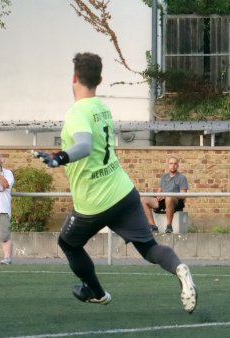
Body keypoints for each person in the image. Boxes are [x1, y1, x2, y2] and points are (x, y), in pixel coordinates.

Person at [34, 53, 197, 313]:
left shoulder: (78, 112)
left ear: (74, 77)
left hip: (94, 202)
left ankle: (96, 292)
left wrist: (59, 157)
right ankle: (179, 267)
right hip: (123, 192)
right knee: (149, 248)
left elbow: (84, 146)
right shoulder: (102, 107)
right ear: (100, 79)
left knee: (68, 243)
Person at [141, 157, 188, 233]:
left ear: (178, 165)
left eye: (175, 164)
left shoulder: (182, 178)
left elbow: (183, 195)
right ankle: (153, 226)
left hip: (175, 201)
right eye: (171, 163)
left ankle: (169, 226)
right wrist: (158, 195)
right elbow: (159, 191)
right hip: (163, 200)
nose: (173, 165)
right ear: (168, 165)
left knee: (169, 198)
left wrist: (167, 195)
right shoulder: (164, 177)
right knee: (144, 200)